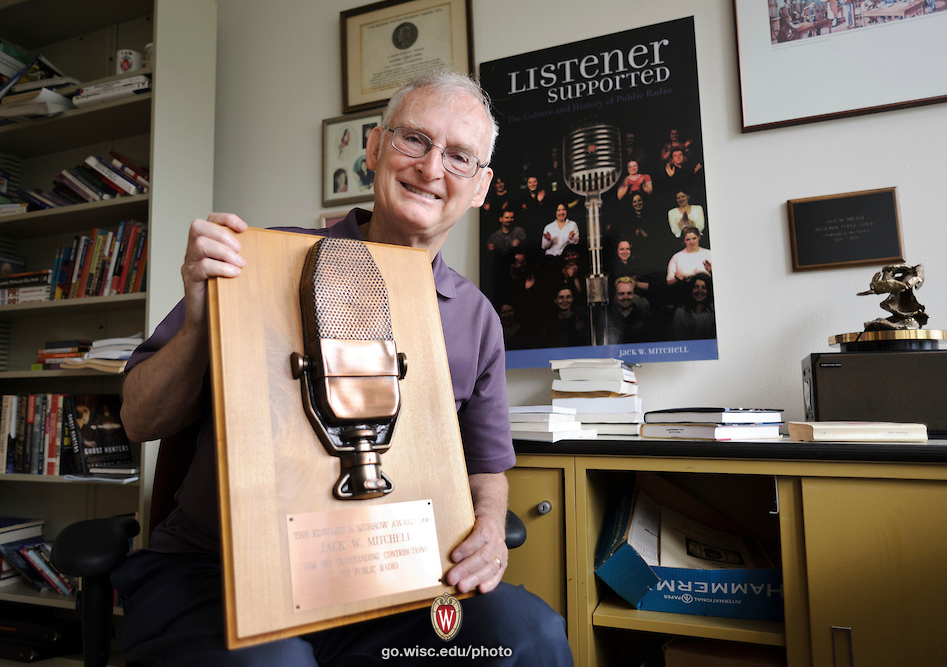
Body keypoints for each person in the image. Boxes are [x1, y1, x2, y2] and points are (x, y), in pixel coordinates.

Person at [111, 70, 572, 666]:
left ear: (481, 187)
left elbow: (486, 469)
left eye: (459, 157)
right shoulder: (253, 263)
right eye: (415, 141)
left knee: (529, 635)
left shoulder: (477, 317)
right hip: (217, 569)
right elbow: (138, 420)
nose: (432, 170)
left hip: (392, 581)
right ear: (375, 148)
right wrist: (201, 321)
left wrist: (488, 529)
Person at [671, 273, 715, 340]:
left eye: (704, 288)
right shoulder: (680, 312)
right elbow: (676, 338)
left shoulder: (714, 312)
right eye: (696, 287)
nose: (699, 291)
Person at [608, 277, 652, 344]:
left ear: (634, 295)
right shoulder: (607, 319)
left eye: (629, 293)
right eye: (621, 294)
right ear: (615, 296)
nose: (625, 297)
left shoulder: (644, 318)